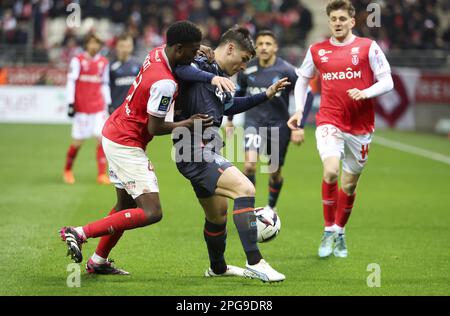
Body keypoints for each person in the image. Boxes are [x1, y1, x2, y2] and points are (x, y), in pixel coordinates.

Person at [59, 21, 235, 275]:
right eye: (193, 50)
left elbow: (178, 51)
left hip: (115, 129)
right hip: (126, 143)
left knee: (125, 206)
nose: (196, 55)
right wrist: (188, 123)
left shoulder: (155, 53)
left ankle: (98, 261)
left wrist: (200, 48)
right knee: (152, 211)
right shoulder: (165, 83)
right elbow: (155, 128)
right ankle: (78, 232)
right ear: (178, 49)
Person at [173, 26, 290, 282]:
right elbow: (179, 69)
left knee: (217, 216)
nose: (244, 66)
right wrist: (209, 78)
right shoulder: (201, 62)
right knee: (245, 189)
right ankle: (256, 262)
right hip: (192, 147)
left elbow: (229, 107)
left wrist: (265, 95)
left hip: (204, 148)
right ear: (230, 48)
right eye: (245, 59)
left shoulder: (222, 78)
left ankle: (217, 268)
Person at [287, 0, 394, 258]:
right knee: (332, 171)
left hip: (360, 126)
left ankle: (340, 231)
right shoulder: (317, 50)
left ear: (352, 21)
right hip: (329, 119)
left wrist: (365, 92)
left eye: (342, 19)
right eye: (333, 19)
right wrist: (299, 110)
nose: (337, 23)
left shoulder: (368, 47)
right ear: (329, 21)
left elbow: (387, 80)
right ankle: (327, 229)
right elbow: (302, 80)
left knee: (349, 185)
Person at [227, 30, 314, 214]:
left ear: (275, 47)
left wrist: (299, 125)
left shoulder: (287, 70)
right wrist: (229, 120)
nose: (264, 47)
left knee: (274, 173)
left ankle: (271, 207)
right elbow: (238, 95)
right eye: (260, 44)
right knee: (249, 164)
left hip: (278, 126)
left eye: (268, 44)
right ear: (255, 47)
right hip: (253, 123)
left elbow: (308, 93)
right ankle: (248, 211)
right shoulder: (247, 69)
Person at [63, 34, 112, 185]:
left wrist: (108, 102)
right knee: (78, 142)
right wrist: (70, 103)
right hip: (81, 108)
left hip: (97, 108)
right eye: (91, 43)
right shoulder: (77, 60)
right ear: (86, 45)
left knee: (101, 139)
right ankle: (67, 170)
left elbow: (104, 83)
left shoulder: (103, 62)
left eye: (96, 43)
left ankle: (101, 174)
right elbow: (71, 81)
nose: (94, 46)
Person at [108, 34, 141, 115]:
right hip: (115, 110)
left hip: (133, 110)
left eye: (128, 46)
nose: (125, 49)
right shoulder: (111, 66)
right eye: (122, 46)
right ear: (117, 47)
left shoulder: (138, 65)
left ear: (132, 47)